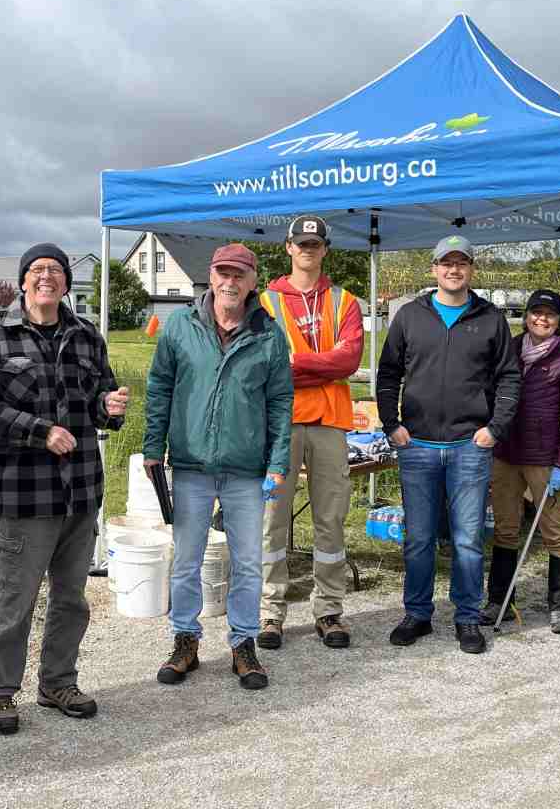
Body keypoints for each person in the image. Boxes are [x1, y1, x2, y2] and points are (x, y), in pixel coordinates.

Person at [0, 244, 128, 735]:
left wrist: (110, 406)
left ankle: (58, 681)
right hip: (23, 491)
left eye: (55, 270)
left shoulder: (86, 336)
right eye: (37, 270)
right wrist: (39, 431)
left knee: (72, 598)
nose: (47, 277)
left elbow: (100, 397)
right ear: (23, 281)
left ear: (65, 283)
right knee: (16, 598)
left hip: (80, 487)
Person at [145, 243, 293, 690]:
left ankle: (243, 644)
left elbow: (281, 402)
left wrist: (278, 460)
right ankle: (185, 639)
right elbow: (159, 389)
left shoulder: (269, 335)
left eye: (239, 274)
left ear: (252, 282)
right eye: (222, 273)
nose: (229, 282)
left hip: (247, 469)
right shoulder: (180, 327)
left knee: (247, 562)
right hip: (190, 464)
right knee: (187, 561)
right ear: (211, 276)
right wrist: (154, 447)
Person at [375, 234, 520, 654]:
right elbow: (388, 374)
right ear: (434, 268)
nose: (454, 270)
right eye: (446, 263)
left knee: (468, 539)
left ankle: (467, 617)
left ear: (471, 269)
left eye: (462, 263)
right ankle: (417, 613)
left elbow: (510, 377)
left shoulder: (490, 318)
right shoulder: (409, 316)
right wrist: (391, 423)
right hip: (416, 443)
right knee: (418, 537)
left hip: (469, 446)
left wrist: (495, 427)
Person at [257, 214, 365, 650]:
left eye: (315, 244)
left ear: (325, 250)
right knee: (270, 521)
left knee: (331, 521)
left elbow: (349, 361)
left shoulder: (345, 301)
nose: (308, 250)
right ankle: (269, 614)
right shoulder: (264, 301)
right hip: (278, 423)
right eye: (301, 243)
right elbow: (263, 364)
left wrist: (294, 365)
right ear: (288, 248)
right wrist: (319, 365)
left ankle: (329, 611)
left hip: (330, 423)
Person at [486, 289, 560, 634]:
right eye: (536, 313)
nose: (541, 320)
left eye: (550, 315)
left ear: (559, 321)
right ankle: (499, 599)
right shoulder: (509, 349)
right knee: (505, 529)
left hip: (545, 458)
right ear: (526, 315)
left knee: (556, 532)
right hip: (505, 454)